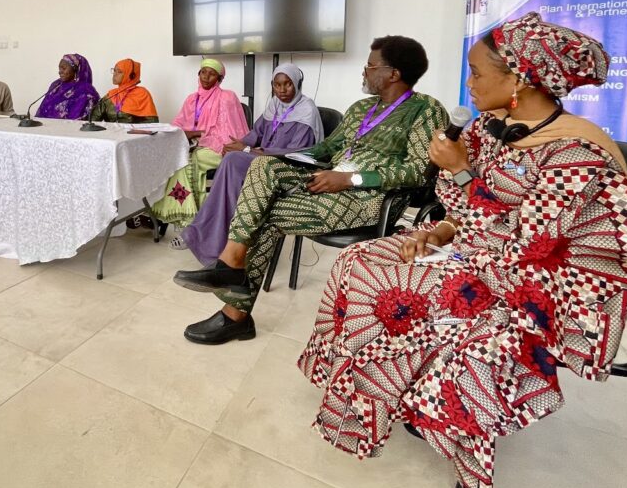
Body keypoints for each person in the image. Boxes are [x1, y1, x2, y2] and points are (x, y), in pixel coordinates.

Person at [298, 12, 627, 488]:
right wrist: (437, 231)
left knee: (415, 295)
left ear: (519, 79)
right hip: (480, 246)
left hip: (547, 282)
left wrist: (461, 174)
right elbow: (463, 212)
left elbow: (533, 242)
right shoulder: (489, 127)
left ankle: (431, 405)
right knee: (363, 260)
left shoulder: (576, 151)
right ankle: (382, 390)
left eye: (478, 72)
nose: (469, 82)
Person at [173, 36, 448, 344]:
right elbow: (325, 149)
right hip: (328, 180)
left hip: (368, 197)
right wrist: (284, 155)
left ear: (393, 73)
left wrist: (350, 179)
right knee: (261, 167)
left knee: (264, 214)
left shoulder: (425, 110)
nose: (364, 71)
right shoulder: (360, 109)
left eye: (370, 65)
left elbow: (417, 171)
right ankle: (231, 266)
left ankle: (234, 309)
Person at [171, 64, 324, 261]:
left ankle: (203, 236)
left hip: (286, 167)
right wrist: (239, 143)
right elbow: (257, 133)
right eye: (277, 85)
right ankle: (217, 241)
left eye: (288, 84)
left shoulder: (306, 110)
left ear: (297, 84)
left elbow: (295, 152)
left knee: (234, 160)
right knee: (230, 158)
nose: (282, 90)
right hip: (262, 160)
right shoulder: (274, 105)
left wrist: (246, 150)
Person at [150, 58, 249, 226]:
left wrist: (199, 136)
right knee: (172, 158)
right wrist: (184, 134)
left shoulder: (226, 97)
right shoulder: (191, 99)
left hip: (221, 149)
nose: (206, 77)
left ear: (219, 79)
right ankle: (193, 216)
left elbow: (229, 132)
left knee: (187, 162)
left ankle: (192, 219)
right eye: (203, 72)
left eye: (212, 74)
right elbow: (178, 124)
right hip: (195, 145)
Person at [90, 58, 159, 123]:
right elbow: (93, 120)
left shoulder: (142, 94)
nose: (114, 74)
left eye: (119, 72)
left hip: (134, 135)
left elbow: (152, 123)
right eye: (114, 70)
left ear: (131, 75)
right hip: (111, 134)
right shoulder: (111, 95)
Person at [36, 53, 100, 119]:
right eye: (59, 68)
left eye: (63, 68)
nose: (60, 72)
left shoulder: (86, 90)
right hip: (47, 127)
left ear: (75, 69)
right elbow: (42, 112)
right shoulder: (56, 86)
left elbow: (87, 117)